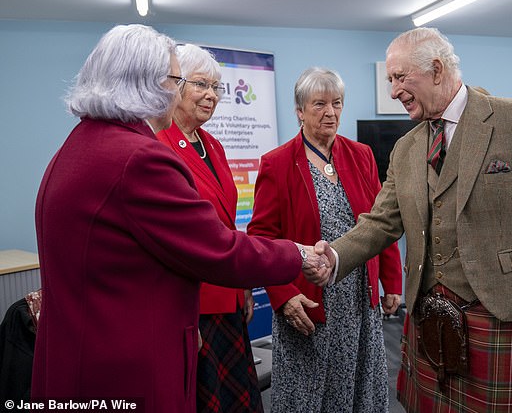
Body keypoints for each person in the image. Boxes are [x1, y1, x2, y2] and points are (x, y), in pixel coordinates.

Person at [32, 24, 332, 413]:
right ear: (146, 83)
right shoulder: (140, 157)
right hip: (127, 365)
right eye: (178, 80)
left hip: (79, 357)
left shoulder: (79, 143)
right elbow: (217, 248)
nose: (179, 93)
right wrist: (298, 255)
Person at [328, 28, 512, 412]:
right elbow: (381, 221)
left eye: (399, 77)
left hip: (503, 313)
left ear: (435, 69)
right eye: (390, 81)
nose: (393, 91)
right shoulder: (406, 148)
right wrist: (332, 257)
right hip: (428, 318)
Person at [247, 67, 402, 412]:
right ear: (299, 111)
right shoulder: (278, 163)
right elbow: (260, 238)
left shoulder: (360, 155)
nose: (330, 112)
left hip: (360, 300)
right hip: (308, 301)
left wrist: (391, 280)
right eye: (319, 104)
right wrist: (283, 297)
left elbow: (381, 222)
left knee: (361, 391)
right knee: (310, 395)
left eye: (337, 103)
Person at [156, 43, 263, 412]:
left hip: (228, 297)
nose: (211, 95)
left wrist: (244, 285)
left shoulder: (213, 145)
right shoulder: (158, 144)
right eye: (201, 84)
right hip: (193, 308)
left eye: (216, 88)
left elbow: (226, 224)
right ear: (174, 86)